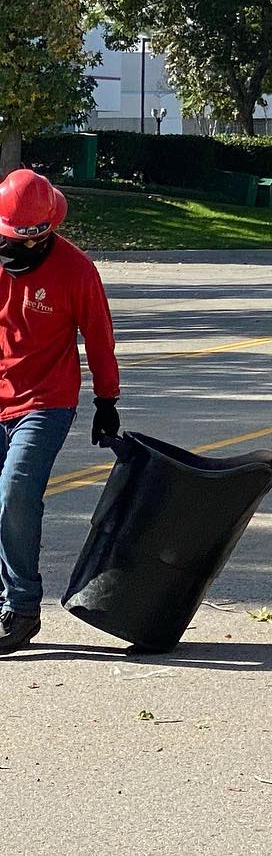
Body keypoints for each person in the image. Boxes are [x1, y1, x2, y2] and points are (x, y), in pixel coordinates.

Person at [0, 169, 120, 654]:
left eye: (35, 239)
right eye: (16, 239)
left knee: (15, 492)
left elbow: (99, 336)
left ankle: (22, 608)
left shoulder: (76, 270)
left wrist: (106, 399)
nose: (25, 248)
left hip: (46, 401)